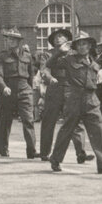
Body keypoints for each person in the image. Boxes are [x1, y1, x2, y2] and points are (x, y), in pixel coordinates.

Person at [47, 31, 102, 174]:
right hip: (74, 99)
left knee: (98, 132)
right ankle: (55, 159)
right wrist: (60, 52)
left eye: (84, 44)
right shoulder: (69, 59)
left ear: (90, 45)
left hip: (91, 99)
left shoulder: (94, 60)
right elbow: (50, 64)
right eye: (79, 44)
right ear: (75, 47)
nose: (82, 47)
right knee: (67, 131)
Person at [38, 29, 91, 164]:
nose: (58, 39)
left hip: (70, 88)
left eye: (61, 36)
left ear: (67, 39)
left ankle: (81, 152)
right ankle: (45, 152)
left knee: (74, 121)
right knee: (49, 120)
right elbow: (44, 69)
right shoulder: (47, 54)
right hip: (54, 88)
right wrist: (50, 79)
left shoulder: (73, 54)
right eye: (55, 37)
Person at [0, 28, 37, 159]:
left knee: (28, 120)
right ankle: (4, 148)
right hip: (9, 90)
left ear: (19, 41)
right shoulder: (3, 56)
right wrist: (3, 87)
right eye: (9, 39)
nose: (11, 41)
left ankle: (31, 150)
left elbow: (31, 74)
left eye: (13, 39)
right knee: (5, 120)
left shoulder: (27, 55)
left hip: (24, 89)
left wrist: (30, 90)